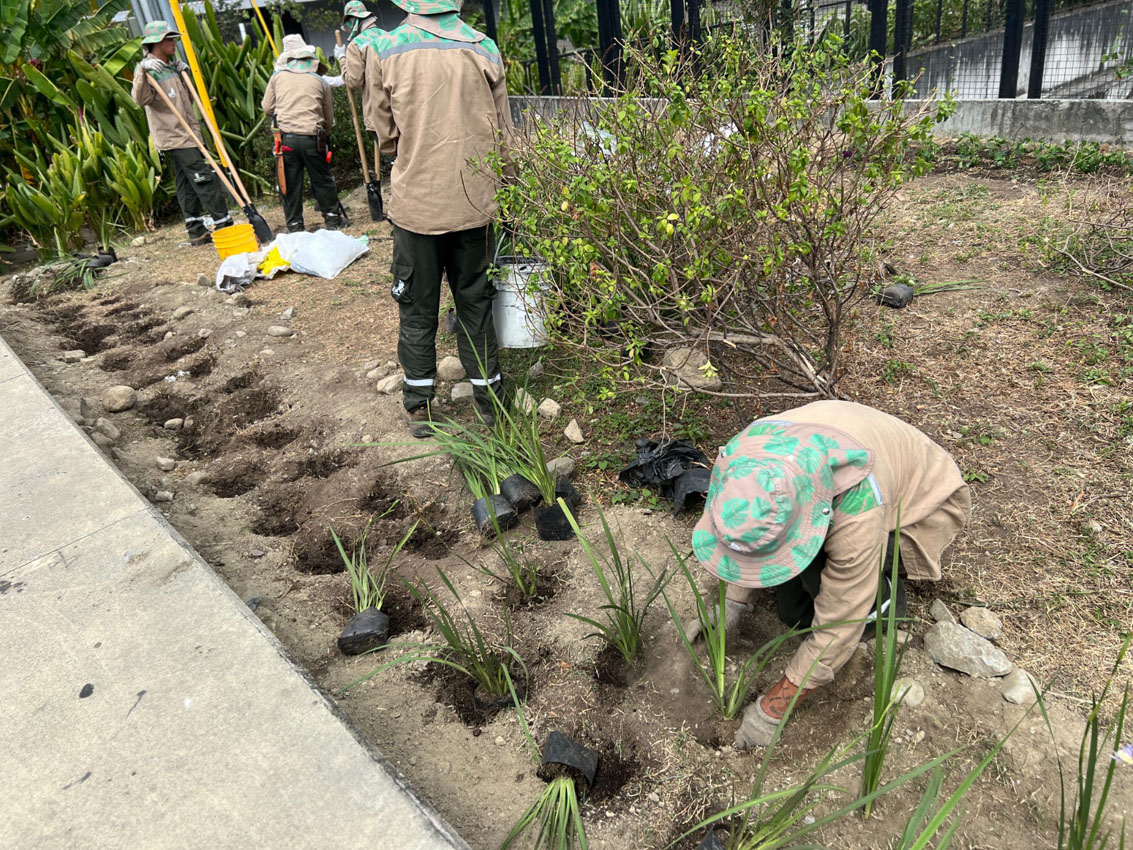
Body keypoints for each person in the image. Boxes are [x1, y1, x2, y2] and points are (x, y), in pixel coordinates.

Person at [690, 400, 971, 749]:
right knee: (792, 611)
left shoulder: (859, 509)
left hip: (919, 498)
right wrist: (732, 604)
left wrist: (771, 711)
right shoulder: (741, 460)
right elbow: (747, 532)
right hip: (845, 450)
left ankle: (884, 602)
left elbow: (838, 626)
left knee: (832, 604)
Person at [356, 0, 513, 437]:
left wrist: (410, 150)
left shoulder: (385, 48)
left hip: (417, 207)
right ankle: (490, 402)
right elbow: (505, 134)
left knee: (417, 306)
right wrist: (507, 188)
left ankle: (420, 406)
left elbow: (383, 130)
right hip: (476, 204)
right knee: (476, 303)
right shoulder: (483, 47)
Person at [130, 21, 232, 245]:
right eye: (169, 39)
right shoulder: (149, 70)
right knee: (203, 177)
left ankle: (196, 230)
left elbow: (185, 99)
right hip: (175, 135)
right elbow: (139, 99)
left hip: (188, 132)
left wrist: (181, 72)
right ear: (157, 42)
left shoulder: (170, 67)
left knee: (186, 182)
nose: (174, 42)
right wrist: (142, 71)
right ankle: (224, 224)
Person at [262, 35, 348, 233]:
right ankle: (333, 220)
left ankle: (295, 225)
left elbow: (267, 107)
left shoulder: (277, 78)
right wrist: (324, 132)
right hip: (312, 138)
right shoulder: (320, 81)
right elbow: (328, 118)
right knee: (322, 179)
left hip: (286, 140)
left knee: (290, 183)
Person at [338, 1, 382, 135]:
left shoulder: (356, 45)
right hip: (400, 109)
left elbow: (354, 81)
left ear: (353, 21)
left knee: (388, 149)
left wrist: (342, 59)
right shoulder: (389, 36)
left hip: (378, 114)